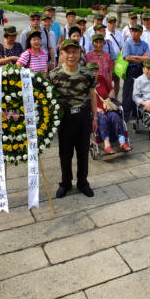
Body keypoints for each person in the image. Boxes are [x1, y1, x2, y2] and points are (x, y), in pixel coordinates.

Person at [48, 39, 98, 199]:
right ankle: (65, 183)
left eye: (74, 52)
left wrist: (94, 117)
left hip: (83, 116)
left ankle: (83, 182)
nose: (71, 55)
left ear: (79, 53)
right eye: (67, 52)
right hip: (65, 118)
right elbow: (48, 98)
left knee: (83, 152)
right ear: (61, 54)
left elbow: (93, 95)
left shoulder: (87, 73)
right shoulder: (54, 75)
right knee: (65, 153)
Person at [87, 62, 132, 154]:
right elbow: (86, 101)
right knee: (103, 119)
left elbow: (111, 89)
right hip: (95, 111)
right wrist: (96, 109)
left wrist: (108, 98)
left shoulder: (101, 79)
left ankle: (122, 142)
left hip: (107, 107)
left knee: (116, 116)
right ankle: (107, 145)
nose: (94, 73)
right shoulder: (85, 83)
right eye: (92, 71)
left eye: (96, 70)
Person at [122, 24, 150, 120]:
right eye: (132, 31)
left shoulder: (144, 44)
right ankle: (126, 113)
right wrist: (142, 58)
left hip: (141, 69)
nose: (133, 33)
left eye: (136, 31)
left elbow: (148, 58)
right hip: (130, 70)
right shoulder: (127, 43)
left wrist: (133, 56)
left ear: (141, 33)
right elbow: (127, 57)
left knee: (140, 91)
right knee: (128, 91)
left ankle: (137, 112)